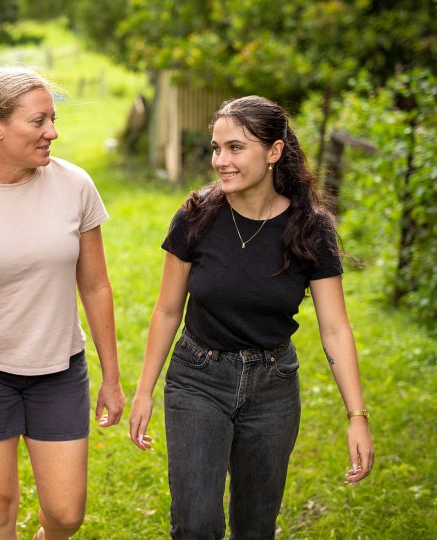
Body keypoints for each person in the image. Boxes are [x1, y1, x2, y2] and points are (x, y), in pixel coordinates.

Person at [128, 96, 374, 539]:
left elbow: (335, 328)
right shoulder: (196, 216)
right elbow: (167, 309)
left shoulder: (310, 227)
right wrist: (144, 390)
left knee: (255, 528)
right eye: (216, 148)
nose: (220, 160)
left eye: (235, 148)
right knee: (197, 526)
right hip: (198, 379)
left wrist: (356, 415)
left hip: (273, 387)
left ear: (274, 152)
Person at [0, 68, 125, 540]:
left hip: (57, 370)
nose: (52, 132)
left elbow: (95, 286)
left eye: (52, 119)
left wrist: (111, 378)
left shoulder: (75, 186)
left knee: (66, 513)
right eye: (38, 122)